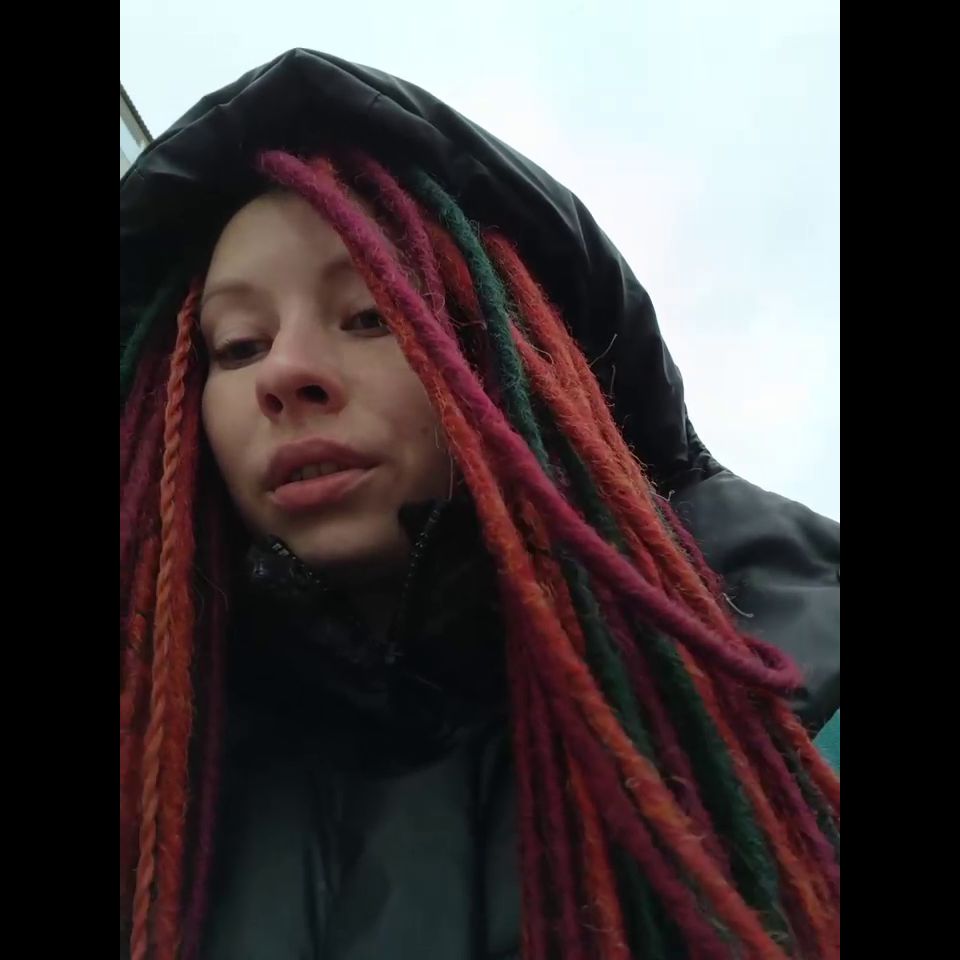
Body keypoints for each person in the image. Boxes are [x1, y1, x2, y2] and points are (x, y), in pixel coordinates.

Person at [120, 49, 840, 960]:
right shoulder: (156, 761)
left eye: (371, 315)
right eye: (238, 345)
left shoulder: (807, 669)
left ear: (515, 356)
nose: (286, 372)